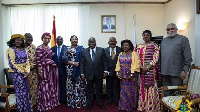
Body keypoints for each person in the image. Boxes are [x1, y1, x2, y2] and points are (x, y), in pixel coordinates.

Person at [161, 23, 193, 96]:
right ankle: (166, 108)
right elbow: (160, 56)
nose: (170, 30)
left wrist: (185, 70)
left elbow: (188, 57)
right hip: (165, 72)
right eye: (168, 29)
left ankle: (176, 108)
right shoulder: (164, 41)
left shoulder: (183, 39)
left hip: (177, 73)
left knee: (177, 94)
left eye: (172, 28)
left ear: (176, 29)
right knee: (166, 93)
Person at [6, 34, 33, 112]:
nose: (18, 41)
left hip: (25, 73)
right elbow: (11, 63)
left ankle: (27, 109)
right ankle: (21, 110)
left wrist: (27, 71)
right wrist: (22, 73)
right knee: (20, 93)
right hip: (16, 73)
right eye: (17, 40)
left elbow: (27, 61)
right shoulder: (11, 49)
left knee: (26, 92)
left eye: (20, 40)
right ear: (13, 41)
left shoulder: (24, 49)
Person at [80, 37, 108, 110]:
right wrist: (82, 73)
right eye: (90, 42)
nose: (91, 44)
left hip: (99, 73)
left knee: (99, 89)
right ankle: (89, 102)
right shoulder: (84, 51)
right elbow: (82, 63)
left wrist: (105, 71)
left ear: (95, 42)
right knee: (89, 89)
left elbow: (105, 61)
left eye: (93, 42)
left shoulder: (101, 50)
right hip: (88, 74)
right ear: (88, 43)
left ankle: (99, 102)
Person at [136, 30, 160, 111]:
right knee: (143, 87)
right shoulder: (139, 46)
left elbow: (155, 57)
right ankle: (143, 107)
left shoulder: (155, 46)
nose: (145, 36)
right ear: (142, 36)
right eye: (144, 35)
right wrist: (142, 67)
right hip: (142, 71)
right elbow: (137, 58)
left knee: (151, 88)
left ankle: (151, 107)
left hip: (151, 70)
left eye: (147, 35)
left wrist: (148, 67)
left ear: (150, 36)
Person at [36, 32, 60, 111]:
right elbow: (38, 61)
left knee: (50, 86)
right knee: (44, 86)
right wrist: (40, 72)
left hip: (50, 69)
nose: (47, 40)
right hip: (43, 69)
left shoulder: (49, 48)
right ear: (42, 39)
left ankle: (50, 102)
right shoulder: (39, 48)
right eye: (45, 38)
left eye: (48, 38)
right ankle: (45, 103)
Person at [115, 39, 140, 111]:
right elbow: (118, 64)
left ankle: (132, 105)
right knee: (123, 90)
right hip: (123, 75)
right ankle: (124, 106)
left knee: (132, 90)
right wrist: (117, 73)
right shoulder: (121, 54)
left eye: (126, 45)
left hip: (132, 76)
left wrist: (132, 74)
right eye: (123, 45)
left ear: (130, 46)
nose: (125, 46)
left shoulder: (133, 53)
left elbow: (136, 64)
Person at [63, 35, 86, 108]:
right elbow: (64, 59)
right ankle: (72, 102)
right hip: (70, 71)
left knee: (79, 86)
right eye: (73, 39)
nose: (75, 40)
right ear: (70, 40)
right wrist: (73, 63)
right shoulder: (66, 48)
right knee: (71, 86)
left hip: (79, 70)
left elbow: (85, 59)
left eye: (76, 39)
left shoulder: (81, 48)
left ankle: (79, 102)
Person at [104, 37, 121, 106]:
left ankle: (116, 99)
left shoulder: (120, 49)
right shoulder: (105, 50)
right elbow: (104, 61)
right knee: (109, 87)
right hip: (109, 72)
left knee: (116, 86)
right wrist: (105, 71)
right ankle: (110, 99)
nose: (112, 43)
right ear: (108, 43)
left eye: (114, 41)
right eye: (111, 41)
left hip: (118, 72)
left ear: (116, 42)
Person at [51, 36, 67, 105]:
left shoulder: (66, 48)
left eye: (61, 39)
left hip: (63, 70)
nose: (59, 41)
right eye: (58, 39)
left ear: (62, 40)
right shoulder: (52, 49)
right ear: (56, 41)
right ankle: (56, 98)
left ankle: (63, 99)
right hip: (54, 70)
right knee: (55, 85)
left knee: (63, 85)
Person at [24, 33, 38, 109]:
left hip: (33, 72)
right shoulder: (21, 47)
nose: (29, 39)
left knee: (34, 89)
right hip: (24, 73)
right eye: (27, 37)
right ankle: (26, 106)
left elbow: (37, 59)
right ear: (24, 38)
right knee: (26, 89)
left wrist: (33, 66)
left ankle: (33, 106)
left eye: (31, 37)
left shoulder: (34, 47)